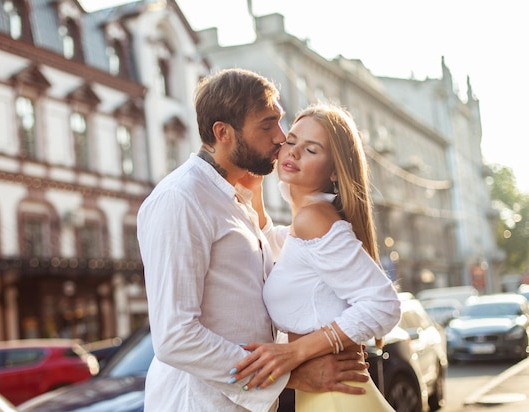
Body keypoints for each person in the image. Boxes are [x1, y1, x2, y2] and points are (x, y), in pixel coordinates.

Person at [137, 69, 370, 412]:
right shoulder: (180, 199)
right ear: (223, 133)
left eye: (280, 122)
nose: (280, 138)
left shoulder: (231, 198)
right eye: (266, 125)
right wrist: (292, 375)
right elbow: (175, 338)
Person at [228, 102, 401, 411]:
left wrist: (296, 353)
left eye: (311, 150)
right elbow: (271, 242)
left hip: (336, 401)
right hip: (325, 397)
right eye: (290, 142)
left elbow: (384, 305)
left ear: (334, 170)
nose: (293, 153)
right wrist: (253, 191)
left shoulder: (315, 219)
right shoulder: (306, 224)